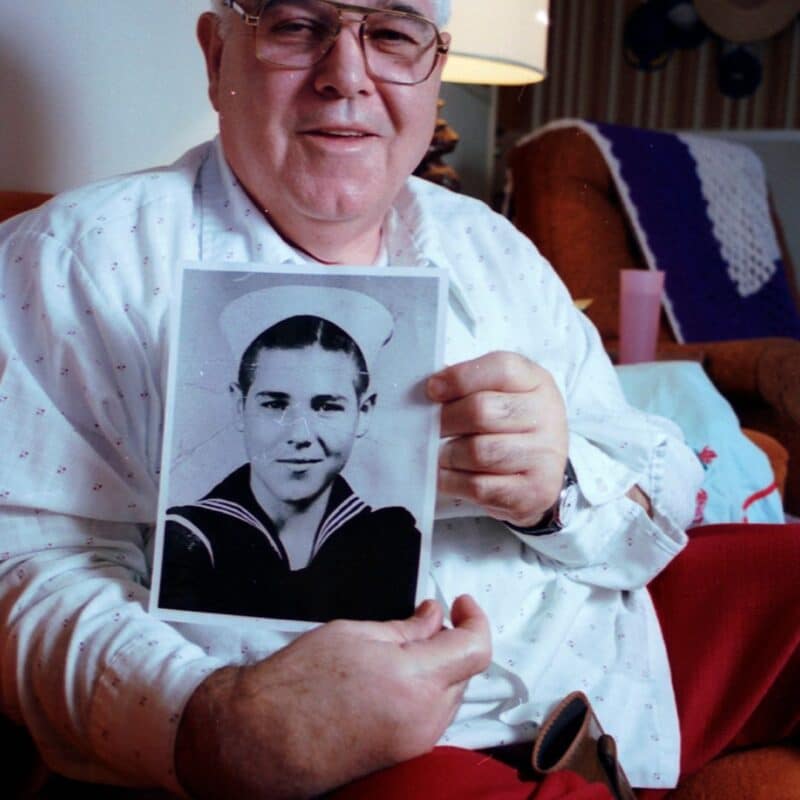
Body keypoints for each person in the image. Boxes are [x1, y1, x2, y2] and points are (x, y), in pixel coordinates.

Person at [0, 1, 796, 798]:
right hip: (357, 751)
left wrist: (558, 486)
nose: (347, 75)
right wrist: (222, 719)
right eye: (295, 25)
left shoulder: (491, 247)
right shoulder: (71, 263)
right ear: (216, 57)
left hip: (607, 661)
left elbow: (660, 504)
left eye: (390, 34)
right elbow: (26, 570)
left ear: (434, 67)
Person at [158, 286, 422, 622]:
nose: (299, 435)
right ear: (239, 407)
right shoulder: (186, 542)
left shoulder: (391, 543)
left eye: (327, 407)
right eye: (274, 404)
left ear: (364, 412)